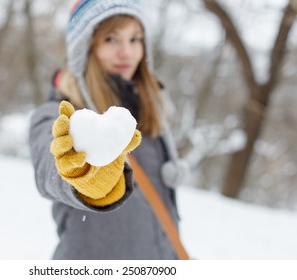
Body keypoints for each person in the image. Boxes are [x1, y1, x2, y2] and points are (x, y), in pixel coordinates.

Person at [29, 0, 187, 259]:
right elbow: (49, 168)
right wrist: (85, 175)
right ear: (86, 47)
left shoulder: (146, 112)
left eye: (135, 39)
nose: (127, 53)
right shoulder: (60, 115)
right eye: (111, 39)